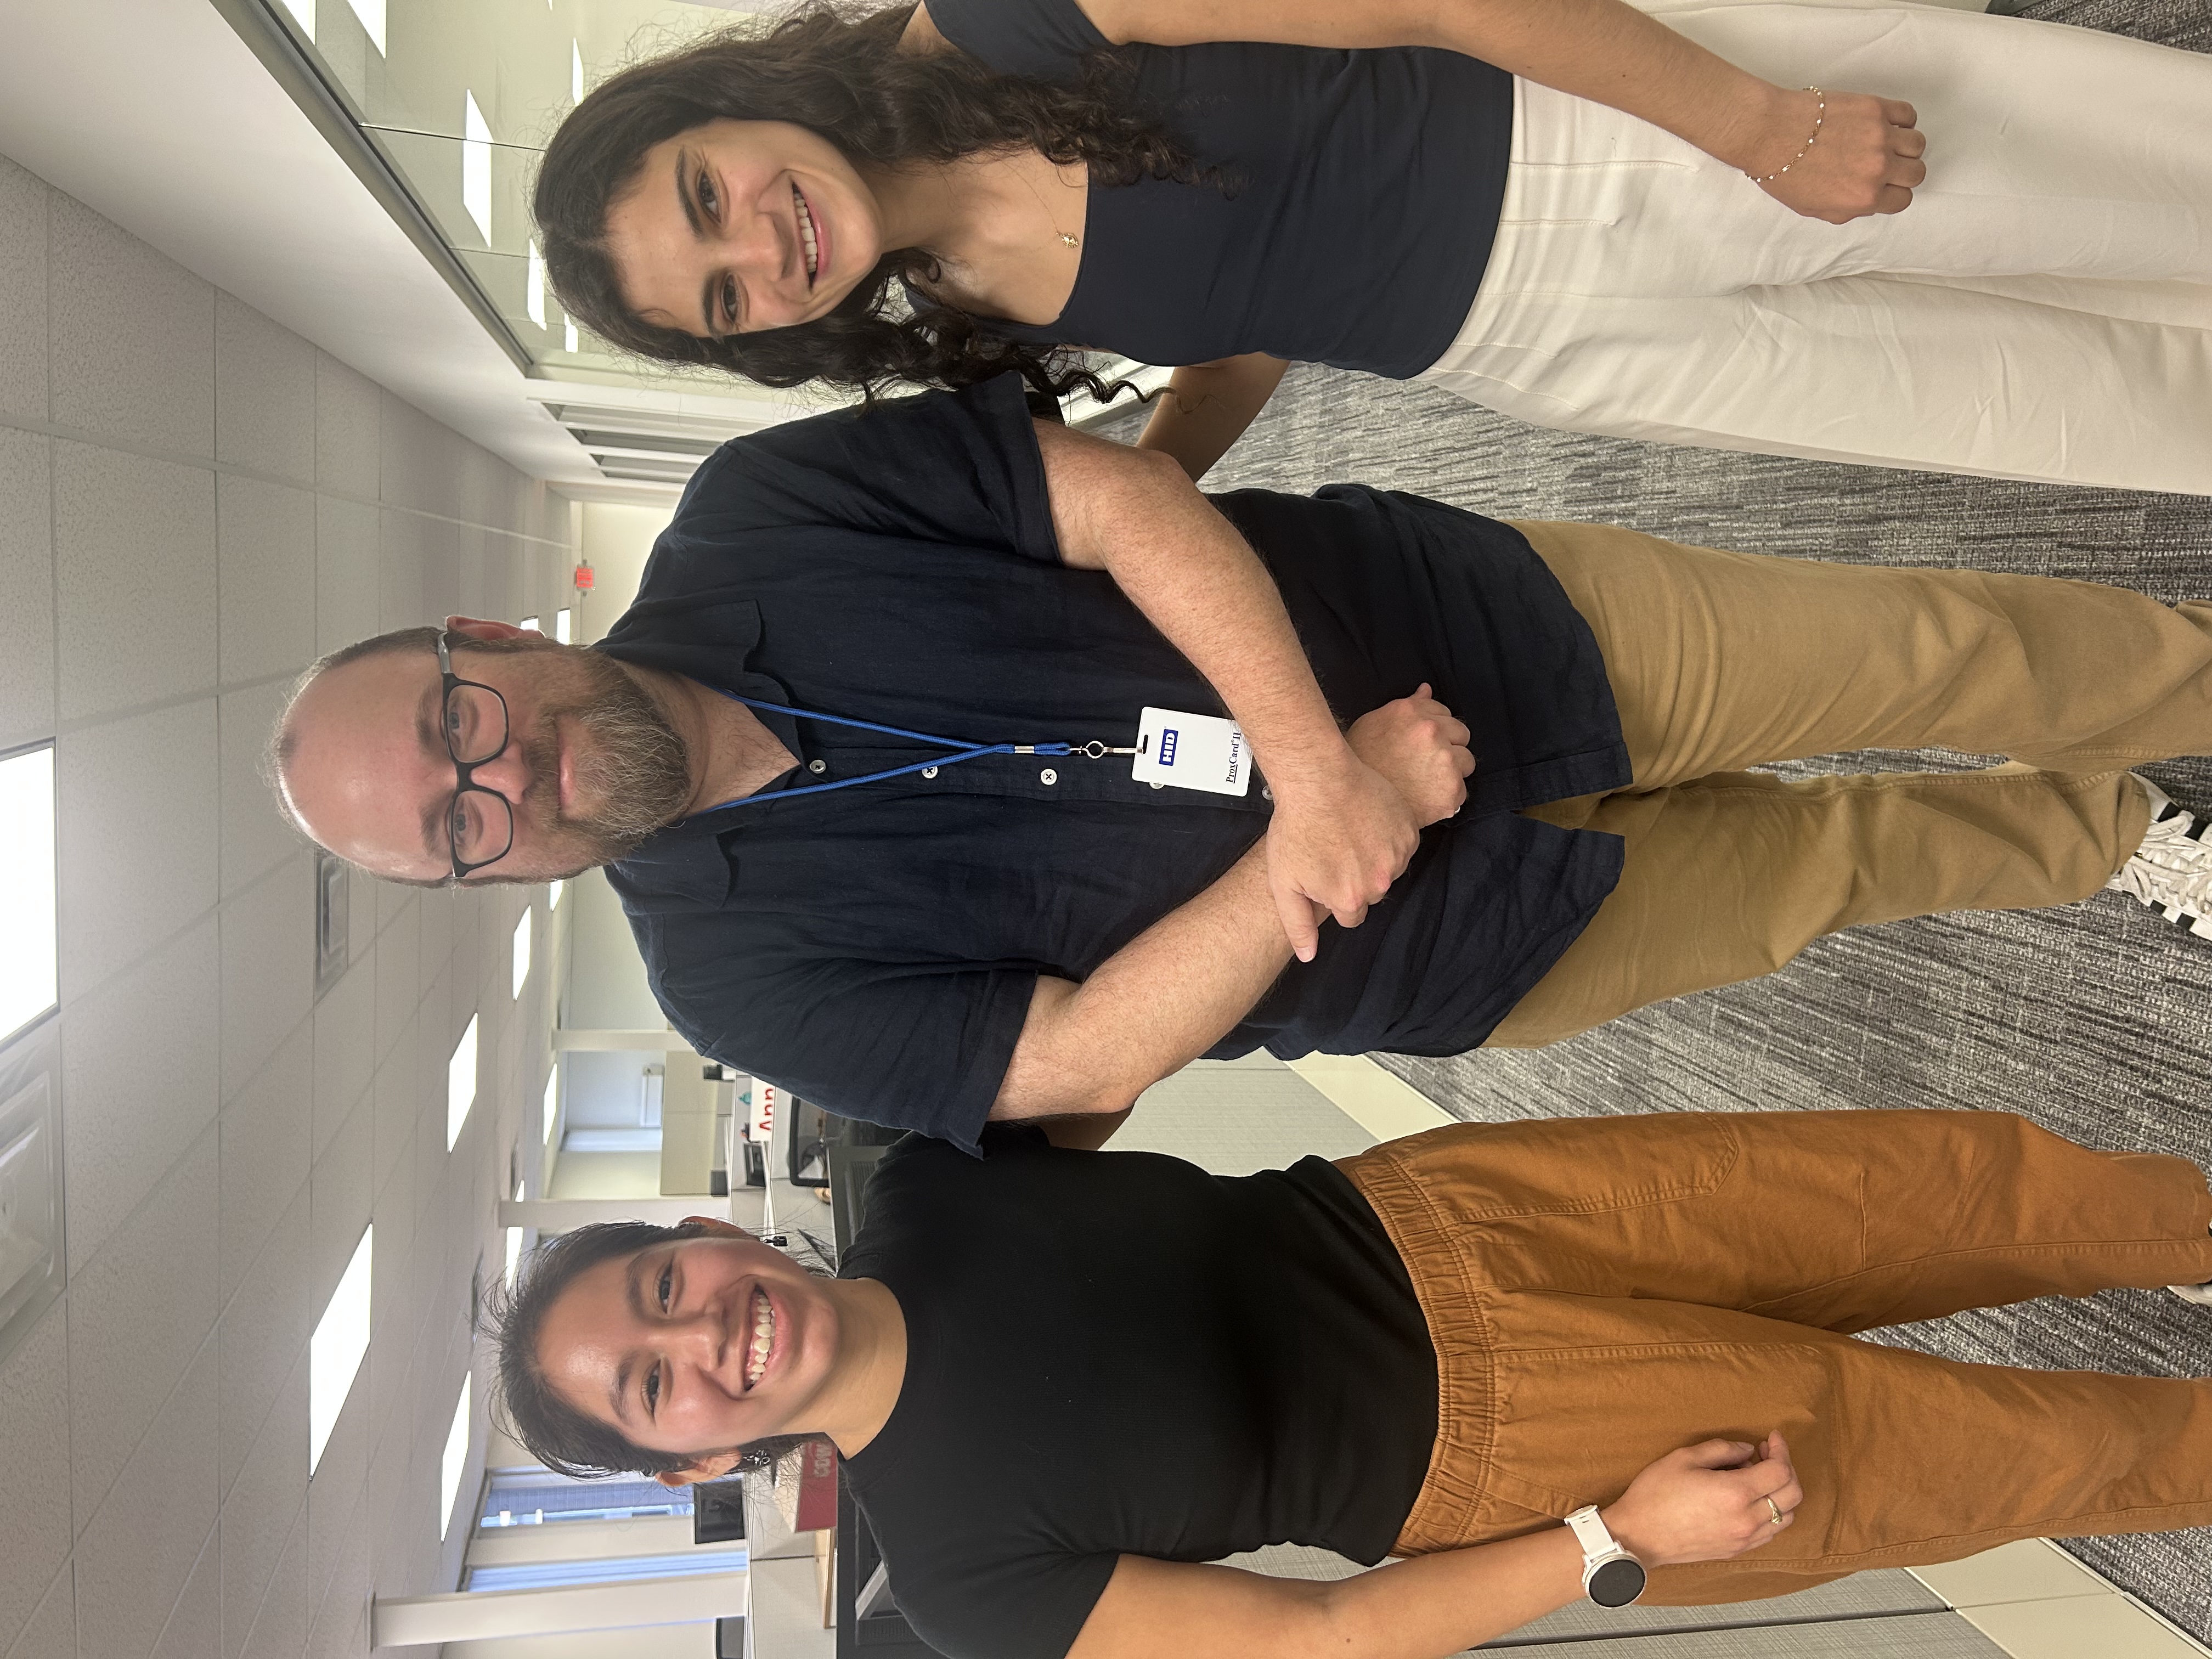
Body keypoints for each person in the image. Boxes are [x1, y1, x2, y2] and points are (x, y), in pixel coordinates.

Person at [268, 376, 2212, 1148]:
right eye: (455, 827)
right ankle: (2131, 823)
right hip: (1442, 951)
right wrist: (1316, 843)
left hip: (1474, 629)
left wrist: (1320, 763)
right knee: (1844, 869)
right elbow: (1080, 1056)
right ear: (484, 877)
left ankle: (2189, 691)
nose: (497, 779)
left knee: (1920, 648)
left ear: (494, 638)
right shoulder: (729, 975)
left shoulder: (759, 512)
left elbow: (1113, 500)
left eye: (452, 722)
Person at [490, 1107, 2212, 1659]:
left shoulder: (932, 1170)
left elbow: (1164, 994)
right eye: (655, 1388)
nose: (704, 1339)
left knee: (1962, 1182)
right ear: (682, 1462)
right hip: (1510, 1439)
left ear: (706, 1232)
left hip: (1462, 1208)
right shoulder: (959, 1579)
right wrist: (1614, 1534)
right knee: (2013, 1457)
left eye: (662, 1289)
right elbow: (1316, 1639)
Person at [533, 0, 2212, 492]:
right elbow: (1254, 297)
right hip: (1539, 353)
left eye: (705, 197)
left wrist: (1753, 123)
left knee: (2108, 186)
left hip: (1588, 145)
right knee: (2039, 407)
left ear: (724, 97)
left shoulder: (990, 20)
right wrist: (1174, 465)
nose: (762, 245)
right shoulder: (958, 299)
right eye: (729, 301)